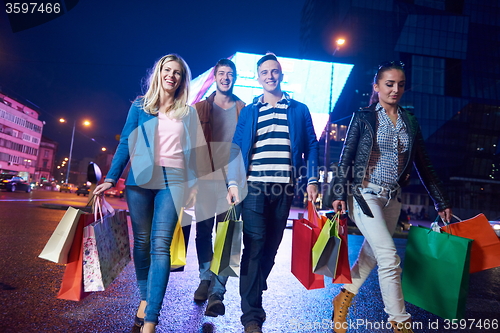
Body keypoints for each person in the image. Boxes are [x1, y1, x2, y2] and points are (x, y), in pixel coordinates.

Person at [326, 61, 452, 333]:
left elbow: (424, 163)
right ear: (377, 86)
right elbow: (346, 155)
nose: (395, 89)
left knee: (372, 256)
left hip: (393, 199)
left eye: (400, 84)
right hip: (364, 194)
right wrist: (337, 192)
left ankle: (343, 299)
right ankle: (400, 322)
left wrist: (440, 201)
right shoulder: (364, 117)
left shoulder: (410, 121)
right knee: (389, 257)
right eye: (389, 84)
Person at [93, 54, 202, 333]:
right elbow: (125, 144)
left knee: (160, 245)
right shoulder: (140, 106)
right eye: (167, 70)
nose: (172, 76)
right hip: (139, 183)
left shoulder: (188, 113)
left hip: (173, 182)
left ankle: (151, 319)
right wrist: (110, 178)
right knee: (141, 244)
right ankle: (145, 298)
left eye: (177, 73)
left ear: (182, 80)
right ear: (159, 73)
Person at [226, 53, 319, 333]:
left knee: (271, 248)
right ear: (258, 77)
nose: (270, 76)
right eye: (264, 72)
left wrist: (312, 179)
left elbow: (312, 146)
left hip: (285, 188)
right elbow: (235, 148)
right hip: (253, 186)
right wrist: (232, 182)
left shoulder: (299, 109)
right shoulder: (250, 111)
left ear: (281, 74)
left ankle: (254, 282)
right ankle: (252, 315)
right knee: (254, 246)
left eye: (274, 71)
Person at [192, 58, 245, 317]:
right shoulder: (201, 108)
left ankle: (217, 292)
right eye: (221, 73)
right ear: (215, 76)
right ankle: (205, 278)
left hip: (232, 183)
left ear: (235, 77)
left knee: (227, 236)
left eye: (230, 74)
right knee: (203, 233)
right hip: (204, 180)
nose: (226, 78)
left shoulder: (243, 109)